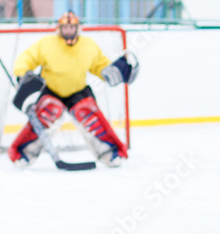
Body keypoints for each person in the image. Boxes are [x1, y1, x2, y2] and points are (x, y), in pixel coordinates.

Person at [8, 11, 137, 167]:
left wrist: (114, 71)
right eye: (65, 27)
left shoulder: (89, 45)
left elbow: (99, 66)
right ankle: (22, 155)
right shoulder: (46, 44)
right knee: (45, 115)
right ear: (59, 28)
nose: (68, 30)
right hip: (52, 90)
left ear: (78, 27)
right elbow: (27, 58)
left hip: (78, 89)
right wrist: (22, 75)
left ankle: (112, 154)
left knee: (90, 115)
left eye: (72, 27)